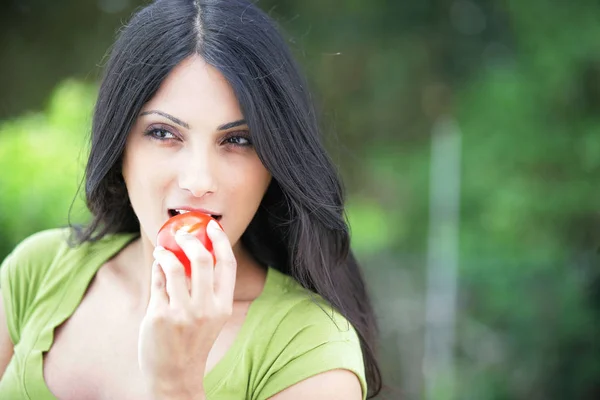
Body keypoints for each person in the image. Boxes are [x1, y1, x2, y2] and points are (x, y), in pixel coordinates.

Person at [0, 0, 383, 399]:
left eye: (237, 140)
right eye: (164, 133)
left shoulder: (310, 348)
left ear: (273, 163)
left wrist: (175, 384)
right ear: (120, 146)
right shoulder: (36, 271)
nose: (198, 180)